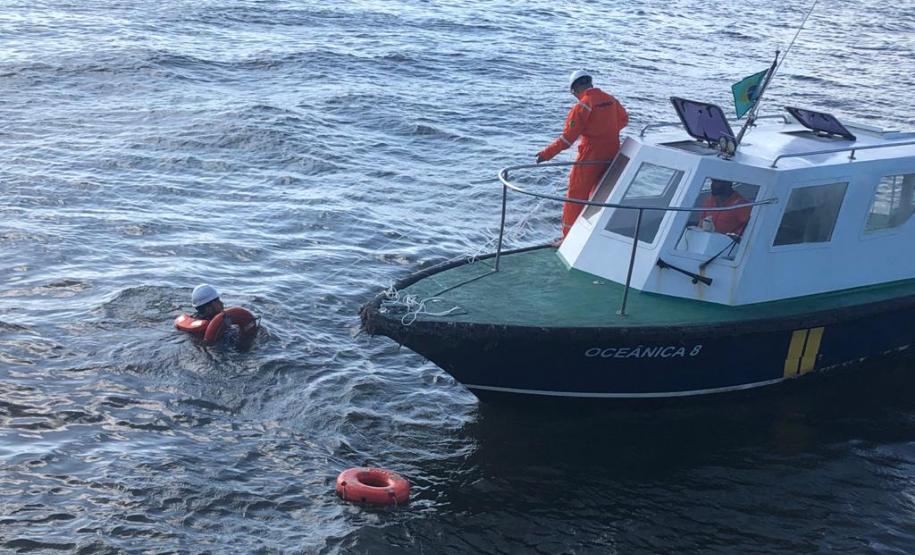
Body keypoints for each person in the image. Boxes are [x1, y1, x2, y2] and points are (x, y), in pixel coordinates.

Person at [536, 69, 629, 239]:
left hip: (590, 156)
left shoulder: (582, 105)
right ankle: (591, 234)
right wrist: (607, 132)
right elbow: (624, 119)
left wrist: (545, 154)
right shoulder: (611, 99)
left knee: (575, 197)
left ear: (575, 89)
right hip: (613, 154)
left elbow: (567, 139)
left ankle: (568, 239)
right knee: (600, 194)